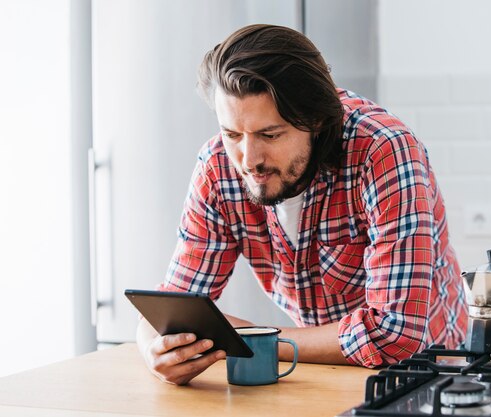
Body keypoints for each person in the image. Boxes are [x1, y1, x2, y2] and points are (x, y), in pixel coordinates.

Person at [137, 24, 468, 385]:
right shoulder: (217, 166)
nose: (248, 159)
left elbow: (395, 335)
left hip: (429, 375)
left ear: (316, 120)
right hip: (323, 373)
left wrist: (254, 337)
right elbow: (172, 307)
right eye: (232, 134)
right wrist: (156, 348)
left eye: (270, 134)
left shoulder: (384, 152)